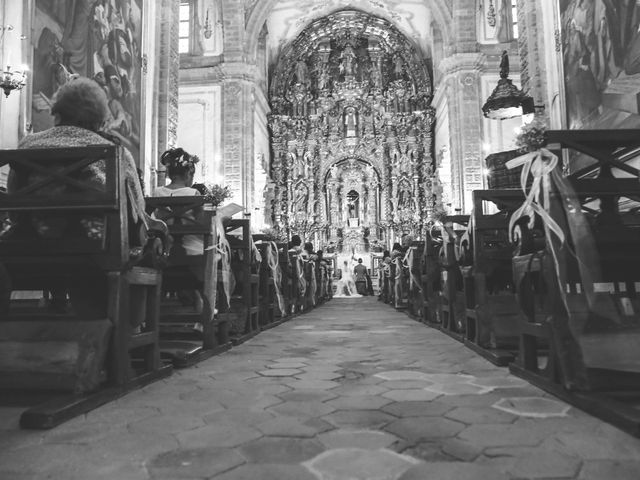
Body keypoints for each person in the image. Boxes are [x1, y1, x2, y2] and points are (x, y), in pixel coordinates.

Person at [7, 77, 154, 319]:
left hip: (28, 247)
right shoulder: (114, 150)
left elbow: (14, 198)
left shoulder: (27, 145)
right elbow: (135, 210)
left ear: (58, 110)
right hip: (94, 253)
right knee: (146, 248)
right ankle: (121, 329)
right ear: (100, 116)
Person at [154, 148, 203, 256]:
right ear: (188, 173)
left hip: (164, 248)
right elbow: (201, 224)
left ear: (170, 173)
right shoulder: (194, 193)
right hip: (191, 248)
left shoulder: (157, 192)